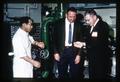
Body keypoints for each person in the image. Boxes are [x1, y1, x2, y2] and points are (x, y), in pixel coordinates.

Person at [74, 9, 112, 79]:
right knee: (92, 76)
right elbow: (88, 40)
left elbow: (98, 42)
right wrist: (82, 43)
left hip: (100, 60)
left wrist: (84, 44)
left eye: (88, 20)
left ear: (94, 17)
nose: (87, 22)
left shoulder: (103, 25)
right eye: (86, 20)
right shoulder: (90, 27)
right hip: (92, 59)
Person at [53, 7, 85, 79]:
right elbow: (54, 39)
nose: (72, 19)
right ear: (66, 15)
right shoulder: (58, 24)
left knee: (74, 74)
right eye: (70, 16)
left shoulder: (79, 25)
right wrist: (55, 52)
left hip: (74, 52)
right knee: (62, 74)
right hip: (61, 52)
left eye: (74, 16)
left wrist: (79, 54)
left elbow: (81, 40)